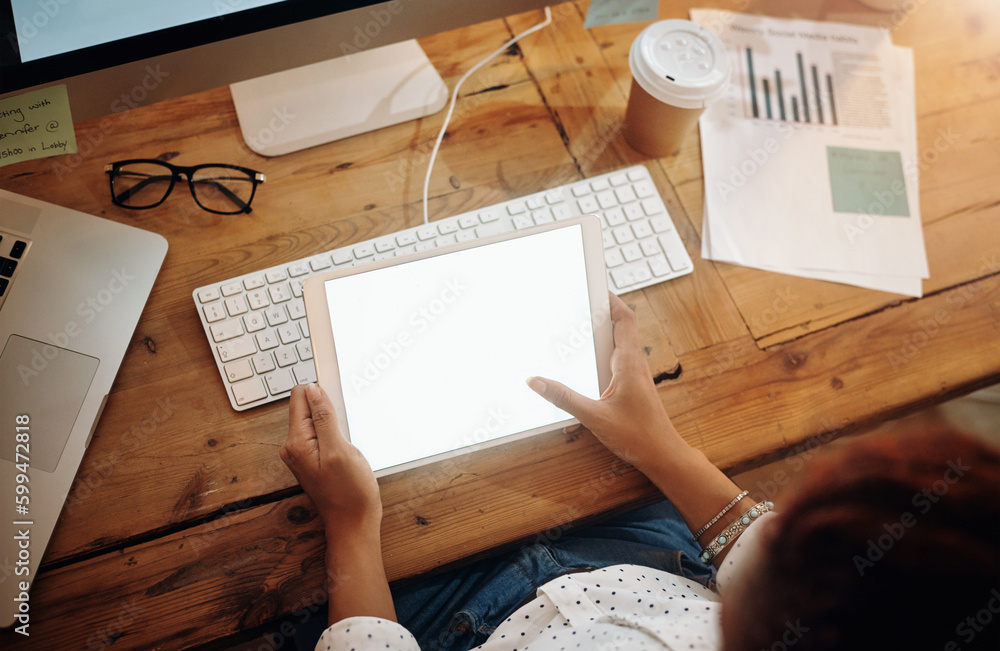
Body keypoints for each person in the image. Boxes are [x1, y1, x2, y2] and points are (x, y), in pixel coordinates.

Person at [280, 293, 1000, 650]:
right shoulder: (880, 604)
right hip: (648, 560)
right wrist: (661, 447)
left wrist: (351, 523)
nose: (769, 525)